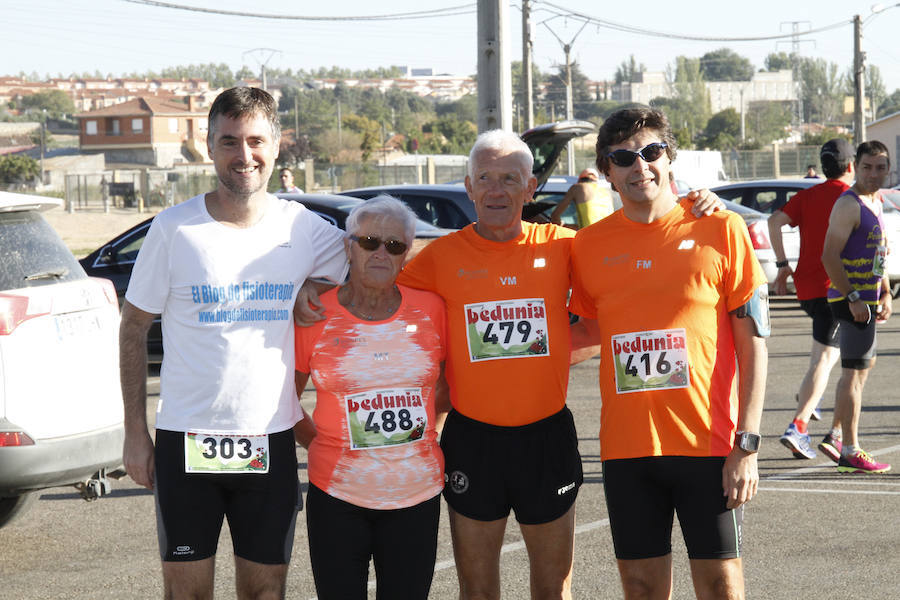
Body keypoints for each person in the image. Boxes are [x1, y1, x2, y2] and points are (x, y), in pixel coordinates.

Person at [295, 130, 722, 599]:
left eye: (509, 179)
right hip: (474, 440)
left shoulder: (565, 246)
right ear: (469, 187)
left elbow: (633, 264)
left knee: (553, 588)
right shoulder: (438, 258)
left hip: (547, 438)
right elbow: (372, 272)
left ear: (531, 187)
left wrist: (694, 209)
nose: (496, 190)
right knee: (477, 590)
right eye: (485, 179)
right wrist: (313, 287)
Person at [119, 87, 347, 599]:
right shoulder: (174, 229)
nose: (244, 156)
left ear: (277, 143)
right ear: (208, 145)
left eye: (255, 141)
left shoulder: (304, 228)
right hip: (186, 441)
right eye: (229, 141)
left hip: (268, 439)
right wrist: (136, 433)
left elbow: (376, 261)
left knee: (265, 594)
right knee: (187, 595)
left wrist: (318, 285)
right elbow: (133, 326)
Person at [569, 107, 768, 599]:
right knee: (639, 587)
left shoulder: (720, 228)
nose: (640, 167)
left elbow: (753, 344)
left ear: (669, 158)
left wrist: (747, 444)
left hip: (709, 445)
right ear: (609, 173)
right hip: (627, 449)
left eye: (651, 152)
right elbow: (587, 333)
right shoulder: (587, 247)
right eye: (623, 158)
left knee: (722, 585)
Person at [293, 196, 449, 599]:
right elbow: (285, 402)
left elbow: (450, 384)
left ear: (406, 255)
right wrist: (322, 444)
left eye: (394, 246)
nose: (381, 252)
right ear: (349, 247)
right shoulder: (315, 315)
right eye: (369, 242)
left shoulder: (433, 310)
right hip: (337, 493)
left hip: (416, 492)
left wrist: (427, 432)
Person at [771, 139, 855, 460]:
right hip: (835, 288)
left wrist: (783, 266)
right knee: (826, 360)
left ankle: (811, 400)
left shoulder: (807, 195)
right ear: (850, 166)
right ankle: (799, 426)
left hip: (807, 290)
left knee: (823, 355)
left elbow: (774, 220)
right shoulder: (851, 198)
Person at [821, 140, 893, 474]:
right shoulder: (848, 205)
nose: (874, 174)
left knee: (861, 370)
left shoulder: (876, 201)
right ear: (855, 167)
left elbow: (879, 255)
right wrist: (853, 299)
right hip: (850, 301)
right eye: (867, 167)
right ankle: (850, 449)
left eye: (881, 168)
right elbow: (829, 257)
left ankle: (836, 434)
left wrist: (886, 293)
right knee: (853, 373)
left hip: (868, 300)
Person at [549, 167, 614, 228]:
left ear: (579, 180)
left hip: (589, 236)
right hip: (609, 234)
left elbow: (555, 216)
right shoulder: (607, 192)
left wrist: (564, 225)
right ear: (596, 180)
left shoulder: (577, 187)